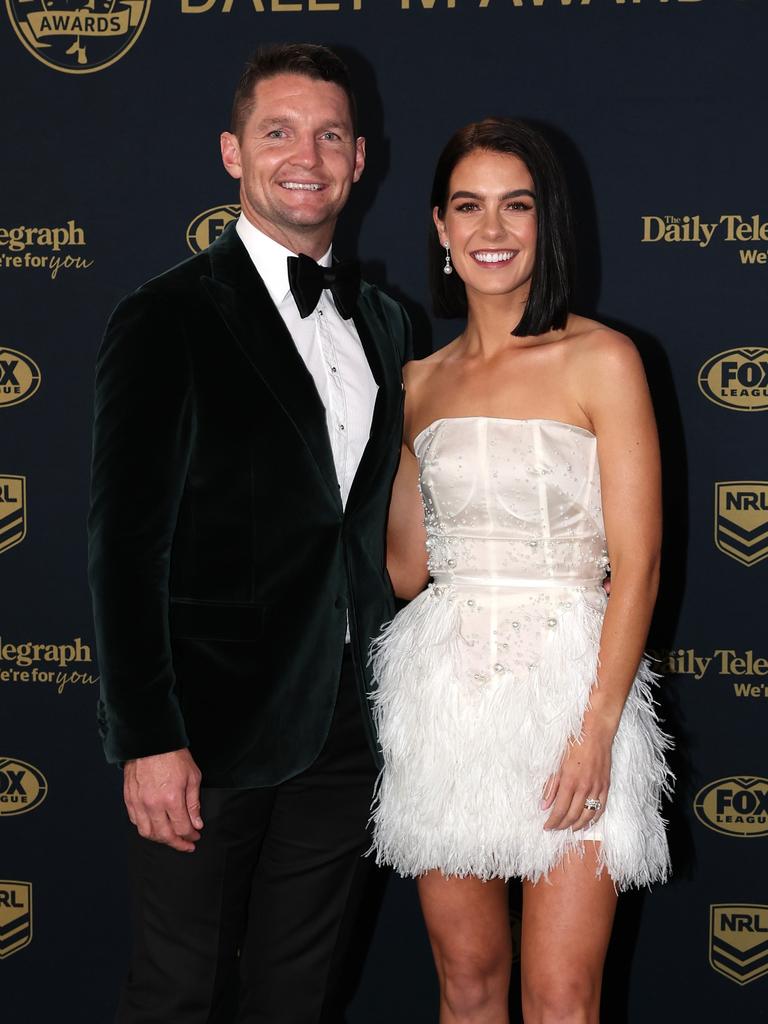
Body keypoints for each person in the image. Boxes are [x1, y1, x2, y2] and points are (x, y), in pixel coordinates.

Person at [88, 43, 411, 1023]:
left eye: (328, 135)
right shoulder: (166, 316)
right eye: (278, 132)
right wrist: (149, 736)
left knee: (298, 995)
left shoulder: (390, 325)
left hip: (350, 726)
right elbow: (123, 545)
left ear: (360, 159)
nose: (304, 155)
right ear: (234, 153)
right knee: (179, 991)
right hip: (209, 730)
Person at [369, 118, 672, 1024]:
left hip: (570, 689)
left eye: (517, 205)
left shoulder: (602, 358)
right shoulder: (418, 380)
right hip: (446, 696)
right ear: (440, 228)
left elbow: (642, 561)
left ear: (547, 225)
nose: (491, 228)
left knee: (562, 996)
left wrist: (596, 731)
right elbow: (403, 568)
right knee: (465, 981)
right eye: (469, 206)